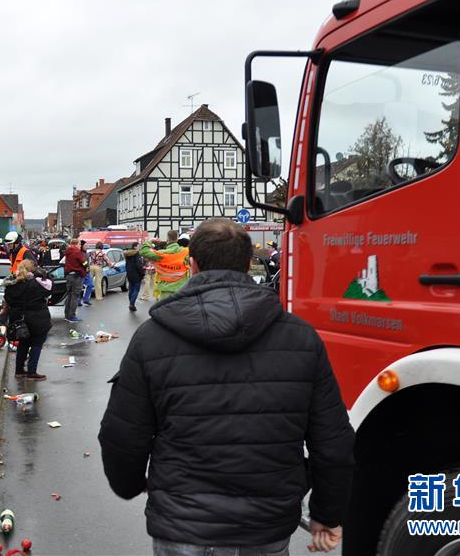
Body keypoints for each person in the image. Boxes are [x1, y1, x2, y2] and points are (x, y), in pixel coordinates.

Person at [98, 219, 355, 555]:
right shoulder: (299, 337)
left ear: (193, 264)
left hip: (183, 523)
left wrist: (133, 485)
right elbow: (334, 442)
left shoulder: (153, 338)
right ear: (248, 264)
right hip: (266, 526)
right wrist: (327, 513)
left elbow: (122, 435)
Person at [3, 260, 52, 381]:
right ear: (32, 270)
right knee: (37, 344)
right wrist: (44, 274)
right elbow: (50, 289)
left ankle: (19, 371)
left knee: (23, 343)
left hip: (19, 319)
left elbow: (8, 299)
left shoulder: (12, 284)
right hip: (38, 318)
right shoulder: (35, 283)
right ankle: (32, 372)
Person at [139, 231, 190, 301]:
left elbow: (143, 251)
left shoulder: (161, 254)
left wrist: (149, 241)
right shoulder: (186, 252)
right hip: (182, 290)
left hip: (166, 291)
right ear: (177, 239)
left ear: (167, 240)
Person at [63, 238, 87, 323]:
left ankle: (67, 315)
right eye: (80, 244)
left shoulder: (67, 252)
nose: (80, 246)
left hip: (69, 276)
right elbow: (84, 262)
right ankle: (72, 316)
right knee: (75, 296)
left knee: (69, 295)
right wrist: (86, 266)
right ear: (76, 244)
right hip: (76, 276)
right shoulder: (77, 252)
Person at [123, 242, 145, 312]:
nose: (139, 247)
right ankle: (132, 304)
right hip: (136, 274)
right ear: (135, 247)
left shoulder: (127, 254)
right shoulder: (136, 254)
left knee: (131, 289)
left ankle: (131, 303)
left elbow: (126, 264)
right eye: (138, 246)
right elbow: (139, 265)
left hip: (129, 274)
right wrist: (142, 273)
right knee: (136, 290)